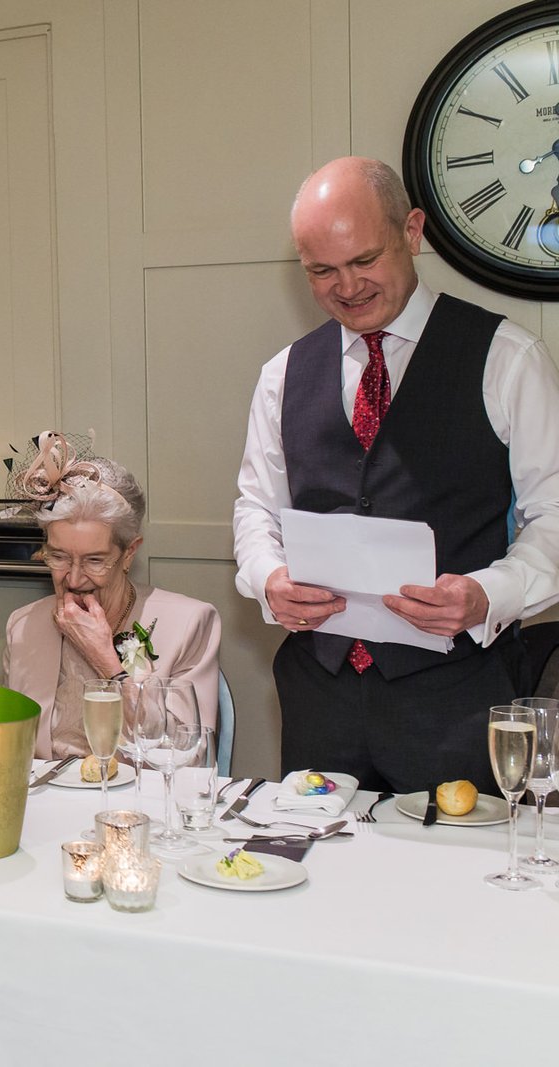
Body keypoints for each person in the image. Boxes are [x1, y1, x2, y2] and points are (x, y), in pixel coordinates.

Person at [233, 156, 559, 794]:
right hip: (317, 694)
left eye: (363, 260)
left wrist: (489, 594)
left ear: (412, 232)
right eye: (321, 270)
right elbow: (256, 509)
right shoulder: (282, 375)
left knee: (456, 883)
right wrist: (267, 578)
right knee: (316, 881)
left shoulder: (507, 357)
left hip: (459, 697)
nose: (346, 286)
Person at [2, 433, 220, 757]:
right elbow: (12, 751)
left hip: (136, 804)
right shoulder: (23, 626)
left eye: (94, 560)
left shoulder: (190, 624)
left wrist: (106, 660)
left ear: (129, 553)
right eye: (59, 557)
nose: (73, 579)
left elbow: (185, 756)